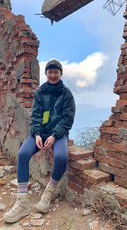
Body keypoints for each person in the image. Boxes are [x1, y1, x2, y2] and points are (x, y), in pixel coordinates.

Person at [4, 59, 76, 223]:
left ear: (61, 74)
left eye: (55, 72)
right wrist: (37, 134)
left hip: (57, 135)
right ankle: (22, 202)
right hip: (39, 133)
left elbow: (67, 119)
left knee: (60, 158)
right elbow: (35, 116)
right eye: (50, 72)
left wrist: (54, 136)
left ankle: (48, 193)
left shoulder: (66, 94)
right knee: (22, 154)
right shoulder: (40, 92)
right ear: (46, 74)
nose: (52, 75)